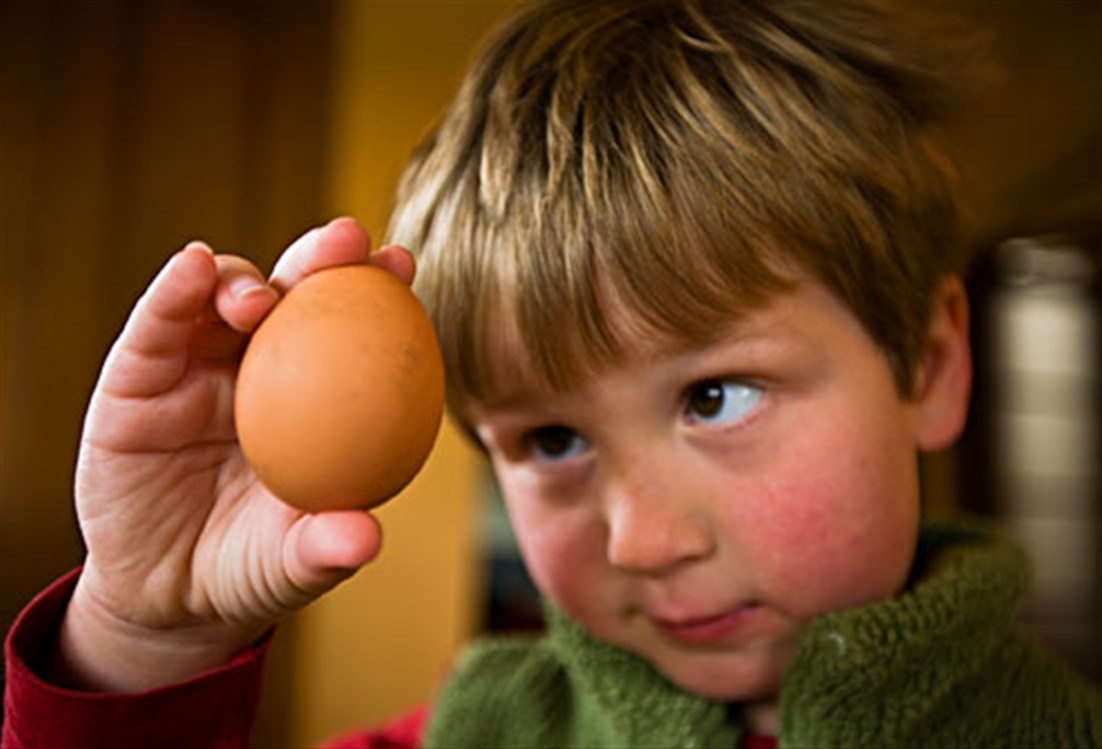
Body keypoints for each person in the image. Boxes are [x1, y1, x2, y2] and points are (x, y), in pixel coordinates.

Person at [4, 1, 1101, 747]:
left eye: (713, 396)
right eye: (551, 441)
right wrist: (145, 637)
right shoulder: (478, 726)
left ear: (931, 362)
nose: (642, 538)